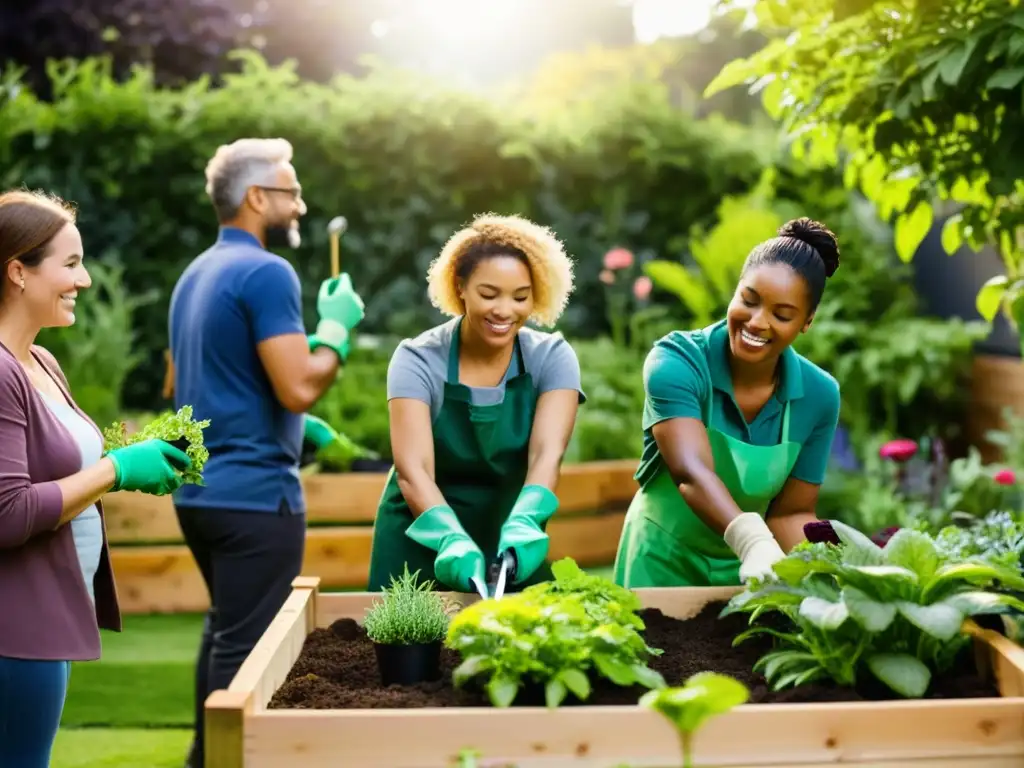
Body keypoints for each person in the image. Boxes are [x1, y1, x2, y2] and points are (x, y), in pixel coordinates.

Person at [167, 138, 365, 768]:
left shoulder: (196, 272)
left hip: (198, 493)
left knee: (225, 631)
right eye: (291, 191)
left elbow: (201, 386)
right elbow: (300, 384)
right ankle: (227, 761)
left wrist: (305, 432)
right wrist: (336, 329)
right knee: (250, 650)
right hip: (255, 498)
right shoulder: (268, 271)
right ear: (257, 198)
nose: (300, 204)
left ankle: (204, 757)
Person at [0, 189, 189, 768]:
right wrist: (115, 470)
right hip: (13, 635)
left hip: (45, 618)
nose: (83, 281)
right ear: (18, 272)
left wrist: (136, 460)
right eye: (71, 264)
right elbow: (7, 515)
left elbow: (58, 464)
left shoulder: (42, 362)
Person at [613, 217, 842, 588]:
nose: (757, 322)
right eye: (748, 301)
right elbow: (691, 472)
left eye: (781, 315)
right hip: (659, 561)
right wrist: (752, 541)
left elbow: (792, 513)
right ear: (735, 291)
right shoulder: (678, 361)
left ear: (807, 320)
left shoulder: (819, 395)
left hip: (750, 572)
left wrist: (826, 573)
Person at [367, 213, 585, 594]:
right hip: (421, 534)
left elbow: (546, 457)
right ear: (460, 286)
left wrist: (526, 523)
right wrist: (450, 538)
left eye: (521, 297)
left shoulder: (551, 358)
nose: (505, 310)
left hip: (510, 536)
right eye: (489, 294)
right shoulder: (417, 360)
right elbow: (413, 470)